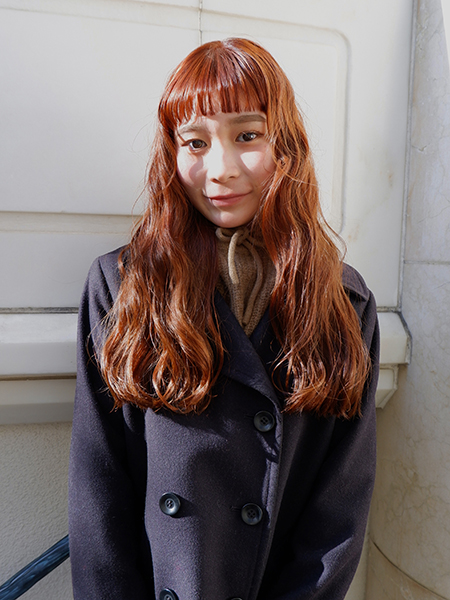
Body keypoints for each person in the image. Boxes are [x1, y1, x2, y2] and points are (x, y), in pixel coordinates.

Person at [68, 38, 379, 600]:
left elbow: (338, 515)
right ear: (171, 154)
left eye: (247, 136)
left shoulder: (342, 301)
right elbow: (99, 499)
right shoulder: (124, 286)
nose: (221, 170)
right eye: (195, 142)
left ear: (285, 143)